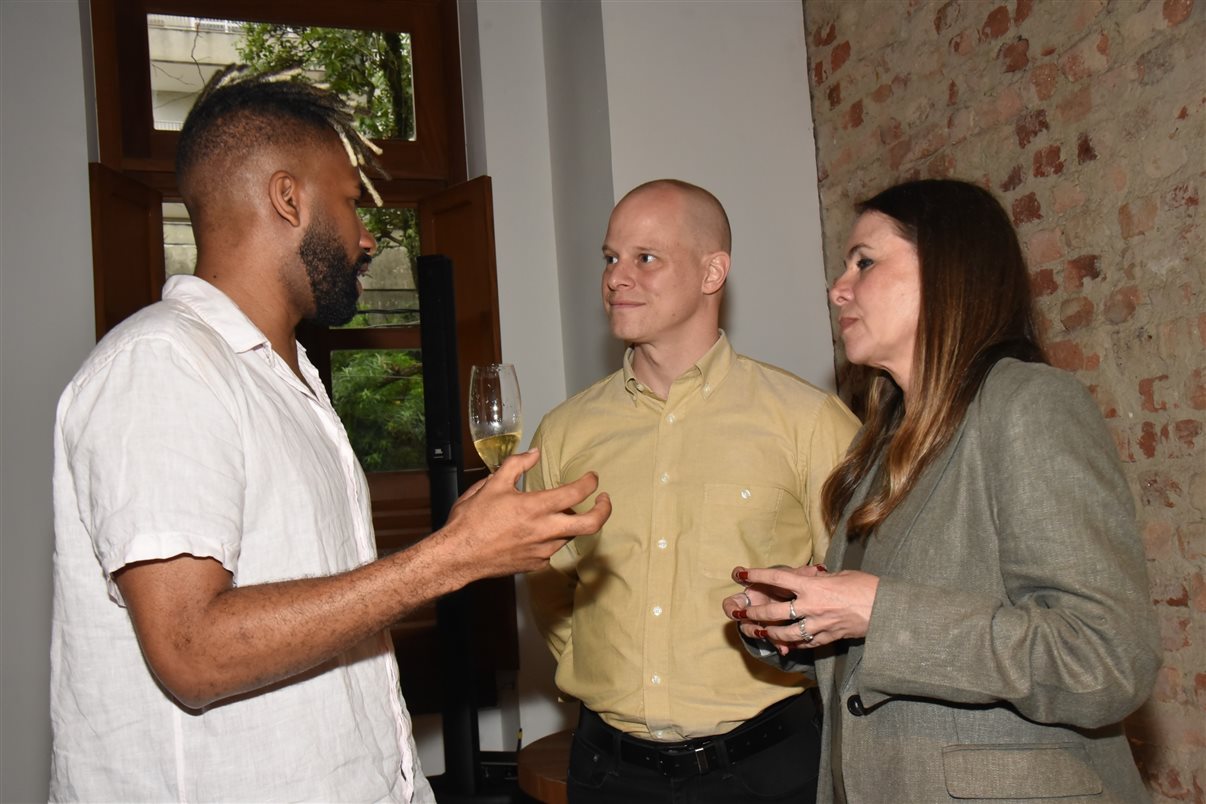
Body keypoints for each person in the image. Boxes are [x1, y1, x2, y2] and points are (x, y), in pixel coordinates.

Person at [49, 65, 611, 803]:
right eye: (350, 204)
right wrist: (449, 558)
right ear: (289, 198)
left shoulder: (287, 379)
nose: (366, 235)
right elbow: (191, 651)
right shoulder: (163, 365)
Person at [724, 178, 1161, 803]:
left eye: (865, 262)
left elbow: (1105, 660)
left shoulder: (1030, 406)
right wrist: (802, 624)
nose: (837, 288)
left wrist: (877, 610)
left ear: (948, 271)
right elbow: (886, 646)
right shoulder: (877, 444)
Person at [526, 179, 860, 803]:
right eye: (610, 258)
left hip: (766, 772)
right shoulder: (565, 431)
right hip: (608, 773)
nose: (616, 278)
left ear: (713, 272)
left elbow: (858, 588)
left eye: (645, 258)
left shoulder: (809, 422)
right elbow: (548, 584)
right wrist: (601, 667)